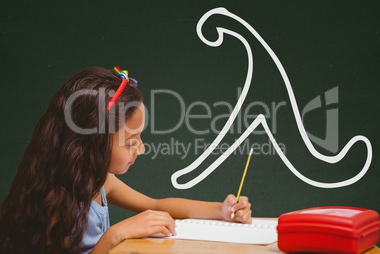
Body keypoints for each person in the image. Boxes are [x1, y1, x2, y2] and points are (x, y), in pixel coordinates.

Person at [0, 67, 252, 254]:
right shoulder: (55, 203)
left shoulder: (100, 182)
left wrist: (221, 211)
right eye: (131, 141)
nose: (140, 149)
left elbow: (156, 204)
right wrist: (116, 234)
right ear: (93, 139)